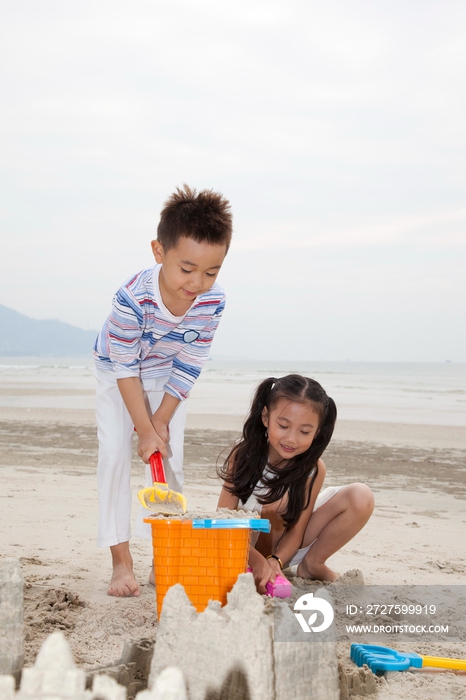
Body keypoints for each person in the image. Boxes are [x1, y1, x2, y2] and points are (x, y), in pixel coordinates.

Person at [94, 185, 232, 597]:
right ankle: (121, 561)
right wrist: (142, 427)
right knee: (115, 455)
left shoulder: (214, 302)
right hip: (117, 373)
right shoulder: (132, 298)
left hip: (167, 377)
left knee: (172, 465)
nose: (197, 283)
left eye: (211, 272)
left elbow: (189, 365)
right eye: (187, 269)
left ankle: (164, 555)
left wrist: (158, 424)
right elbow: (124, 368)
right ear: (159, 251)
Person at [217, 374, 374, 594]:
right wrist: (259, 562)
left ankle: (312, 564)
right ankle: (255, 567)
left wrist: (276, 561)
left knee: (361, 495)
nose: (291, 439)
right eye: (283, 425)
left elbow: (297, 532)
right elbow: (222, 521)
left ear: (317, 431)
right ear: (265, 417)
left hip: (285, 553)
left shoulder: (313, 469)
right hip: (241, 550)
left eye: (304, 432)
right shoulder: (243, 455)